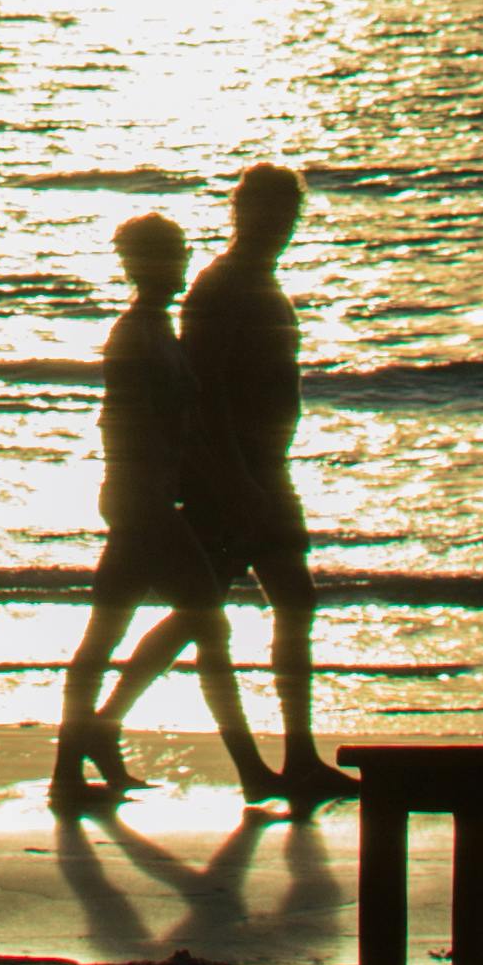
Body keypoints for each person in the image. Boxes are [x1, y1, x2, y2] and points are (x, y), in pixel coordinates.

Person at [49, 212, 278, 812]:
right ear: (142, 265)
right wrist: (223, 489)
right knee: (203, 627)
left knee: (110, 637)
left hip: (142, 501)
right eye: (168, 256)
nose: (179, 266)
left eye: (179, 254)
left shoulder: (153, 330)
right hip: (144, 505)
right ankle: (250, 772)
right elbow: (147, 429)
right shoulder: (140, 336)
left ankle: (74, 767)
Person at [173, 160, 347, 811]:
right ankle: (97, 732)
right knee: (195, 622)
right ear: (242, 212)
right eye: (267, 212)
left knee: (292, 604)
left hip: (266, 471)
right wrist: (237, 476)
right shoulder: (221, 285)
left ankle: (297, 756)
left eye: (288, 214)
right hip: (232, 477)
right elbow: (204, 390)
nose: (280, 225)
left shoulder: (260, 280)